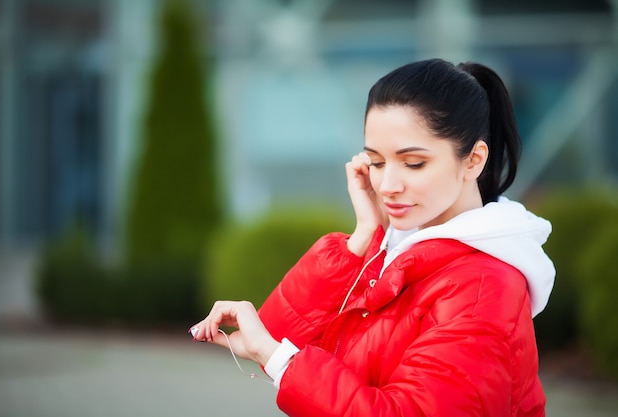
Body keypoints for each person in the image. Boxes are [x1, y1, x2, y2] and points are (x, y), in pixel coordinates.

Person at [189, 58, 555, 416]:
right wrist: (362, 236)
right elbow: (281, 337)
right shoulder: (395, 249)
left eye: (414, 163)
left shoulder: (482, 288)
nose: (388, 186)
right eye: (377, 162)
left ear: (473, 160)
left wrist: (274, 356)